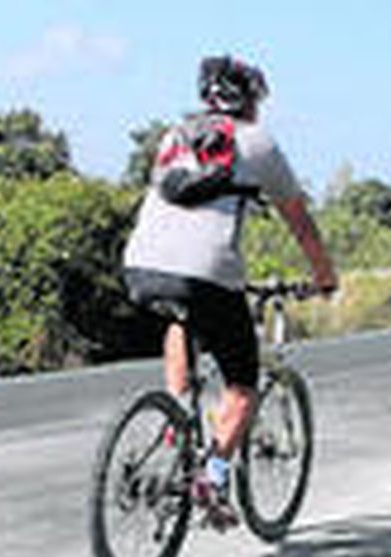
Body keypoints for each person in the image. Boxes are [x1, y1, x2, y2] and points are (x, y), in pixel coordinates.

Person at [121, 55, 338, 528]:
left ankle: (177, 412)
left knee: (181, 319)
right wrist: (325, 277)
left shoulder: (174, 136)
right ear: (251, 99)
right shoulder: (257, 142)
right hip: (206, 274)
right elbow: (301, 225)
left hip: (139, 265)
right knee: (242, 385)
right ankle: (213, 475)